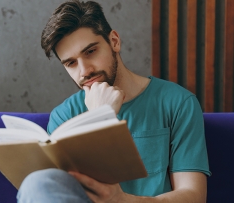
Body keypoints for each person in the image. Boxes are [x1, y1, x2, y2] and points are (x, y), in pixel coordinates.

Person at [17, 0, 211, 202]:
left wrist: (122, 200)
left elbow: (193, 196)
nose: (84, 71)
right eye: (71, 63)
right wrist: (99, 117)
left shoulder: (177, 102)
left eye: (90, 51)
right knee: (35, 183)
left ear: (114, 41)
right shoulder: (64, 116)